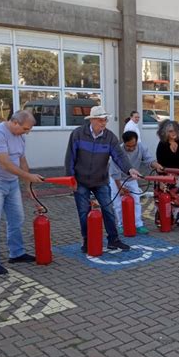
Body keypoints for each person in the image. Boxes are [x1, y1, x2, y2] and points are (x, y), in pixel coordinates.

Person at [65, 105, 139, 253]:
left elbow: (119, 156)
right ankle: (87, 240)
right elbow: (70, 158)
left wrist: (129, 169)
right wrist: (70, 178)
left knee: (108, 209)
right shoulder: (78, 134)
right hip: (80, 181)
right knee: (83, 212)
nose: (103, 123)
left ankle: (113, 240)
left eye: (105, 120)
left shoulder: (110, 137)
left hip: (101, 180)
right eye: (100, 120)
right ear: (91, 120)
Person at [0, 110, 44, 275]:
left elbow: (22, 161)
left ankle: (17, 253)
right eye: (25, 129)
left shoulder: (20, 136)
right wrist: (29, 176)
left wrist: (29, 188)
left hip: (11, 182)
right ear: (15, 123)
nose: (27, 133)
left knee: (17, 218)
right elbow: (5, 163)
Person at [109, 130, 163, 234]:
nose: (131, 148)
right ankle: (121, 225)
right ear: (124, 143)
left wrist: (157, 166)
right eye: (128, 146)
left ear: (136, 142)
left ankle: (138, 224)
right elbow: (114, 172)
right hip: (117, 179)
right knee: (118, 204)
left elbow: (149, 160)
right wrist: (120, 188)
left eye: (133, 145)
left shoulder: (141, 147)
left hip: (132, 178)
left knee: (136, 201)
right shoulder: (118, 151)